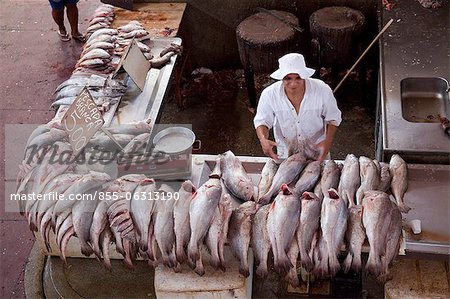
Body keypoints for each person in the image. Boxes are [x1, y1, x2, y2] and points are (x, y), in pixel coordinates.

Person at [254, 53, 341, 161]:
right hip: (287, 156)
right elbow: (262, 121)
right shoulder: (269, 94)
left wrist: (327, 142)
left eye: (298, 78)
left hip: (318, 154)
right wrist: (263, 140)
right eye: (288, 79)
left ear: (304, 76)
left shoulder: (322, 89)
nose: (293, 84)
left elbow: (333, 119)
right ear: (282, 78)